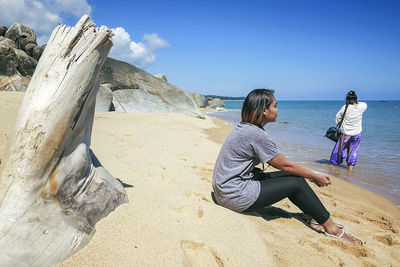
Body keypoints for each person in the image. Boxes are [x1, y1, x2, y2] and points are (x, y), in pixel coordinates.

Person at [212, 89, 356, 242]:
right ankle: (331, 228)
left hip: (223, 189)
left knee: (293, 176)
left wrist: (310, 174)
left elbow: (284, 166)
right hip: (233, 195)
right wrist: (315, 176)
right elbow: (285, 166)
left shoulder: (245, 127)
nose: (277, 109)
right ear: (264, 110)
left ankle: (316, 217)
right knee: (296, 183)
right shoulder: (255, 134)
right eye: (275, 105)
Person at [330, 91, 367, 172]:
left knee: (338, 150)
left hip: (345, 134)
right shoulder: (362, 106)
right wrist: (354, 100)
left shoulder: (345, 107)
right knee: (353, 151)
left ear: (347, 99)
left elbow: (337, 119)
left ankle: (333, 168)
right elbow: (362, 103)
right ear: (356, 98)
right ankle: (350, 171)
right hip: (357, 134)